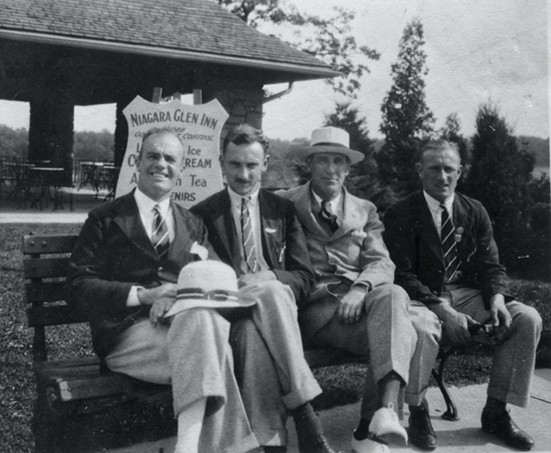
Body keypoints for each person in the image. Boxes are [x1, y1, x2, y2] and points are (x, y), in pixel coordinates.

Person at [66, 129, 259, 453]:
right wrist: (144, 295)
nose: (161, 164)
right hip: (125, 335)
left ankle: (189, 447)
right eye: (153, 156)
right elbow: (77, 287)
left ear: (181, 169)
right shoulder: (105, 218)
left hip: (185, 330)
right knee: (216, 349)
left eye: (170, 158)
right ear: (136, 161)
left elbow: (213, 277)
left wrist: (176, 298)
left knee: (208, 334)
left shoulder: (192, 223)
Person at [277, 127, 442, 453]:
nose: (331, 169)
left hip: (360, 304)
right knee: (410, 329)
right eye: (322, 160)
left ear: (348, 168)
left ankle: (381, 416)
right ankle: (372, 427)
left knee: (397, 297)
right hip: (315, 311)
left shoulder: (364, 210)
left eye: (338, 161)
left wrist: (361, 288)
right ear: (310, 164)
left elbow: (382, 262)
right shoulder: (285, 202)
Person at [383, 139, 542, 451]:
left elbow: (491, 265)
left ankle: (496, 411)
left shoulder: (474, 210)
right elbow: (402, 274)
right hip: (422, 298)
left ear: (460, 172)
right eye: (434, 168)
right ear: (420, 170)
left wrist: (497, 298)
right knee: (422, 327)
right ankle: (418, 410)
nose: (442, 176)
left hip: (467, 294)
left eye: (449, 169)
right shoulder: (400, 213)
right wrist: (444, 311)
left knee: (526, 318)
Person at [191, 123, 338, 453]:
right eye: (235, 164)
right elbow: (207, 280)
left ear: (265, 164)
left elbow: (304, 277)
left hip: (273, 319)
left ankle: (271, 441)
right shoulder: (202, 215)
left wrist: (268, 276)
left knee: (257, 325)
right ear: (221, 162)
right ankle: (305, 413)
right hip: (230, 312)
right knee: (261, 305)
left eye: (251, 165)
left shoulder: (282, 211)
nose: (243, 174)